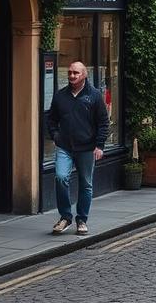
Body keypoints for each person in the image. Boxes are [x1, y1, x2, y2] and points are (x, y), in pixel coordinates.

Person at [46, 61, 109, 235]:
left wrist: (100, 145)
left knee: (86, 184)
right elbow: (51, 119)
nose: (72, 76)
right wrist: (56, 136)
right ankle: (65, 217)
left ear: (84, 75)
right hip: (65, 146)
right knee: (60, 177)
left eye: (76, 73)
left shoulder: (94, 96)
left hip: (87, 147)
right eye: (70, 72)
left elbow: (103, 122)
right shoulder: (60, 96)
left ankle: (81, 220)